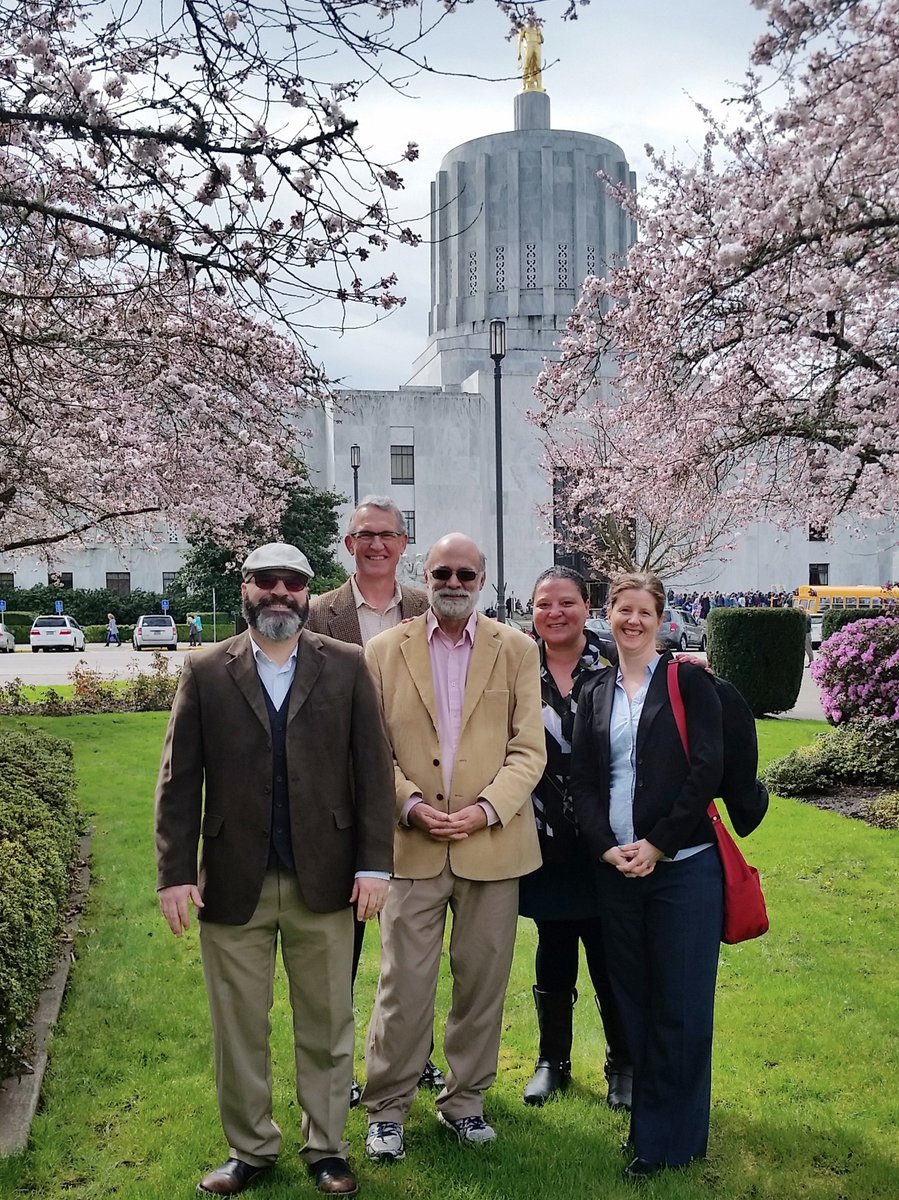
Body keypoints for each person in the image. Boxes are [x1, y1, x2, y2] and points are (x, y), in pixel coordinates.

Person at [155, 541, 395, 1198]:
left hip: (327, 876)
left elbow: (374, 775)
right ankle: (251, 1148)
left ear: (307, 592)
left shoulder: (345, 666)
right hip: (233, 880)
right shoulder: (207, 671)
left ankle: (326, 1147)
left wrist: (375, 866)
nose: (280, 592)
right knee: (238, 1024)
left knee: (326, 1020)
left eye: (293, 582)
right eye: (267, 581)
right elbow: (179, 781)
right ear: (246, 588)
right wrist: (175, 873)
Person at [361, 532, 546, 1161]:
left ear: (484, 579)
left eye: (467, 574)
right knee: (402, 986)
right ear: (426, 574)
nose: (454, 583)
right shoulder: (384, 651)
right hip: (410, 849)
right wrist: (410, 805)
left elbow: (529, 749)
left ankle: (465, 1101)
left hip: (492, 847)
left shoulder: (518, 650)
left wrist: (485, 810)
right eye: (443, 572)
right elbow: (370, 752)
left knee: (482, 986)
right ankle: (386, 1107)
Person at [569, 571, 724, 1181]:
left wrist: (658, 844)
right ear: (608, 614)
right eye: (622, 609)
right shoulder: (595, 690)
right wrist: (607, 848)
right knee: (633, 999)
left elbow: (707, 769)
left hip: (683, 868)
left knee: (681, 1003)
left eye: (644, 611)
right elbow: (582, 782)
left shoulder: (688, 680)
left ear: (661, 619)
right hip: (616, 871)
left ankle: (671, 1142)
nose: (632, 620)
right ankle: (650, 1126)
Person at [306, 497, 441, 1103]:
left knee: (415, 950)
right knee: (342, 948)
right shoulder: (314, 615)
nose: (377, 545)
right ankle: (337, 1076)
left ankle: (418, 1063)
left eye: (387, 535)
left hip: (417, 801)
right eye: (365, 535)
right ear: (348, 544)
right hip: (342, 806)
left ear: (404, 542)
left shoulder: (431, 607)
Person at [519, 567, 632, 1111]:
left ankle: (624, 1062)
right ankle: (552, 1061)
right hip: (541, 833)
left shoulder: (616, 661)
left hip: (607, 833)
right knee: (554, 944)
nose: (554, 613)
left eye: (566, 602)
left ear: (588, 606)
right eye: (544, 604)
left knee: (611, 952)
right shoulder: (515, 662)